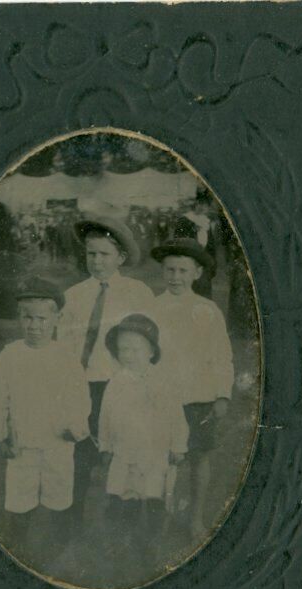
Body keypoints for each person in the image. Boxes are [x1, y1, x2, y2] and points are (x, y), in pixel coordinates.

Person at [0, 277, 90, 557]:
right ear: (20, 318)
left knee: (59, 494)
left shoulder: (66, 358)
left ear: (56, 319)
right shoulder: (10, 356)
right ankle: (17, 549)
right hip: (22, 443)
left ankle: (57, 549)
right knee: (20, 497)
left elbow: (80, 399)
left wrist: (75, 427)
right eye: (28, 318)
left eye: (42, 318)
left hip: (58, 442)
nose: (34, 325)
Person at [59, 211, 154, 524]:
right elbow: (65, 345)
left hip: (120, 384)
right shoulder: (73, 296)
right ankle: (72, 516)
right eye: (91, 254)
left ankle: (124, 515)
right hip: (82, 384)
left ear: (121, 257)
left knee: (125, 448)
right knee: (81, 449)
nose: (97, 261)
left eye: (104, 254)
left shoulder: (137, 293)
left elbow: (149, 343)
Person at [151, 238, 234, 536]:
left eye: (183, 271)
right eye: (170, 270)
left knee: (199, 456)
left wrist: (222, 395)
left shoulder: (207, 309)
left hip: (199, 397)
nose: (176, 277)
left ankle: (195, 517)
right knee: (163, 458)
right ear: (163, 271)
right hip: (163, 398)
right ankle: (162, 514)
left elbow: (222, 356)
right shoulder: (152, 307)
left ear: (197, 273)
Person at [98, 314, 189, 562]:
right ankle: (124, 540)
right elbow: (105, 417)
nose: (128, 355)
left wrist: (178, 446)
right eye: (123, 349)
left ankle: (150, 544)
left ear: (151, 351)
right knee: (125, 495)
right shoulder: (116, 383)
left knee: (154, 496)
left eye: (135, 349)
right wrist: (105, 445)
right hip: (124, 451)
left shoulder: (164, 382)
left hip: (155, 453)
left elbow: (177, 417)